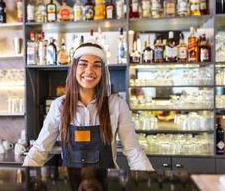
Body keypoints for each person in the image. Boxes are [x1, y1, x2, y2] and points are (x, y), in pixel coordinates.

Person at [23, 42, 154, 171]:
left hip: (106, 183)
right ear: (74, 68)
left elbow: (133, 151)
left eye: (96, 65)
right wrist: (25, 179)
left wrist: (147, 178)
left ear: (103, 72)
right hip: (71, 184)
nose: (89, 71)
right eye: (83, 64)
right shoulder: (59, 105)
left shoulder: (117, 104)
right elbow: (40, 150)